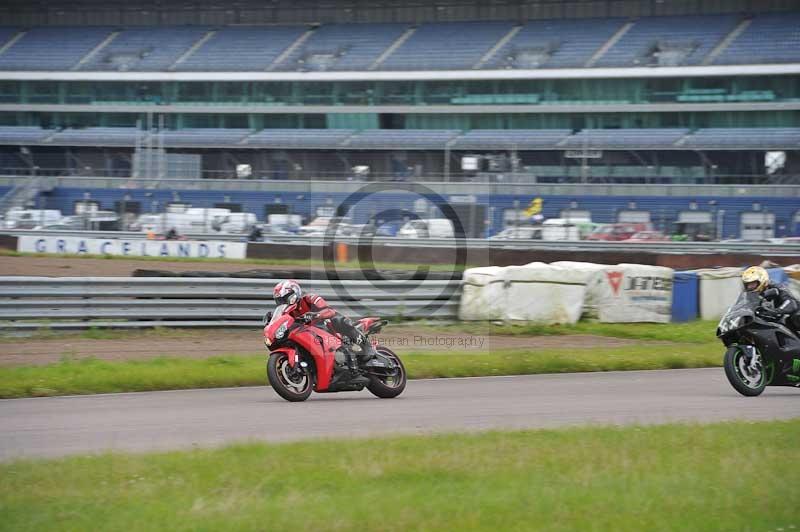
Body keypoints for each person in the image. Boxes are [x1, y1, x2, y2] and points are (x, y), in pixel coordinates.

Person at [272, 279, 371, 372]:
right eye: (280, 301)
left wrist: (316, 315)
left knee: (338, 318)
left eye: (285, 299)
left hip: (327, 326)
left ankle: (367, 347)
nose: (283, 303)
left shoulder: (310, 299)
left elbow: (329, 311)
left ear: (294, 293)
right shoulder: (288, 313)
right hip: (310, 333)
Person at [741, 266, 800, 334]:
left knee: (796, 317)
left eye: (752, 284)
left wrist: (775, 311)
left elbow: (791, 303)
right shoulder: (750, 294)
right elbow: (743, 305)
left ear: (762, 280)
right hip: (773, 321)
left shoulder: (777, 287)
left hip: (788, 316)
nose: (749, 287)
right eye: (747, 285)